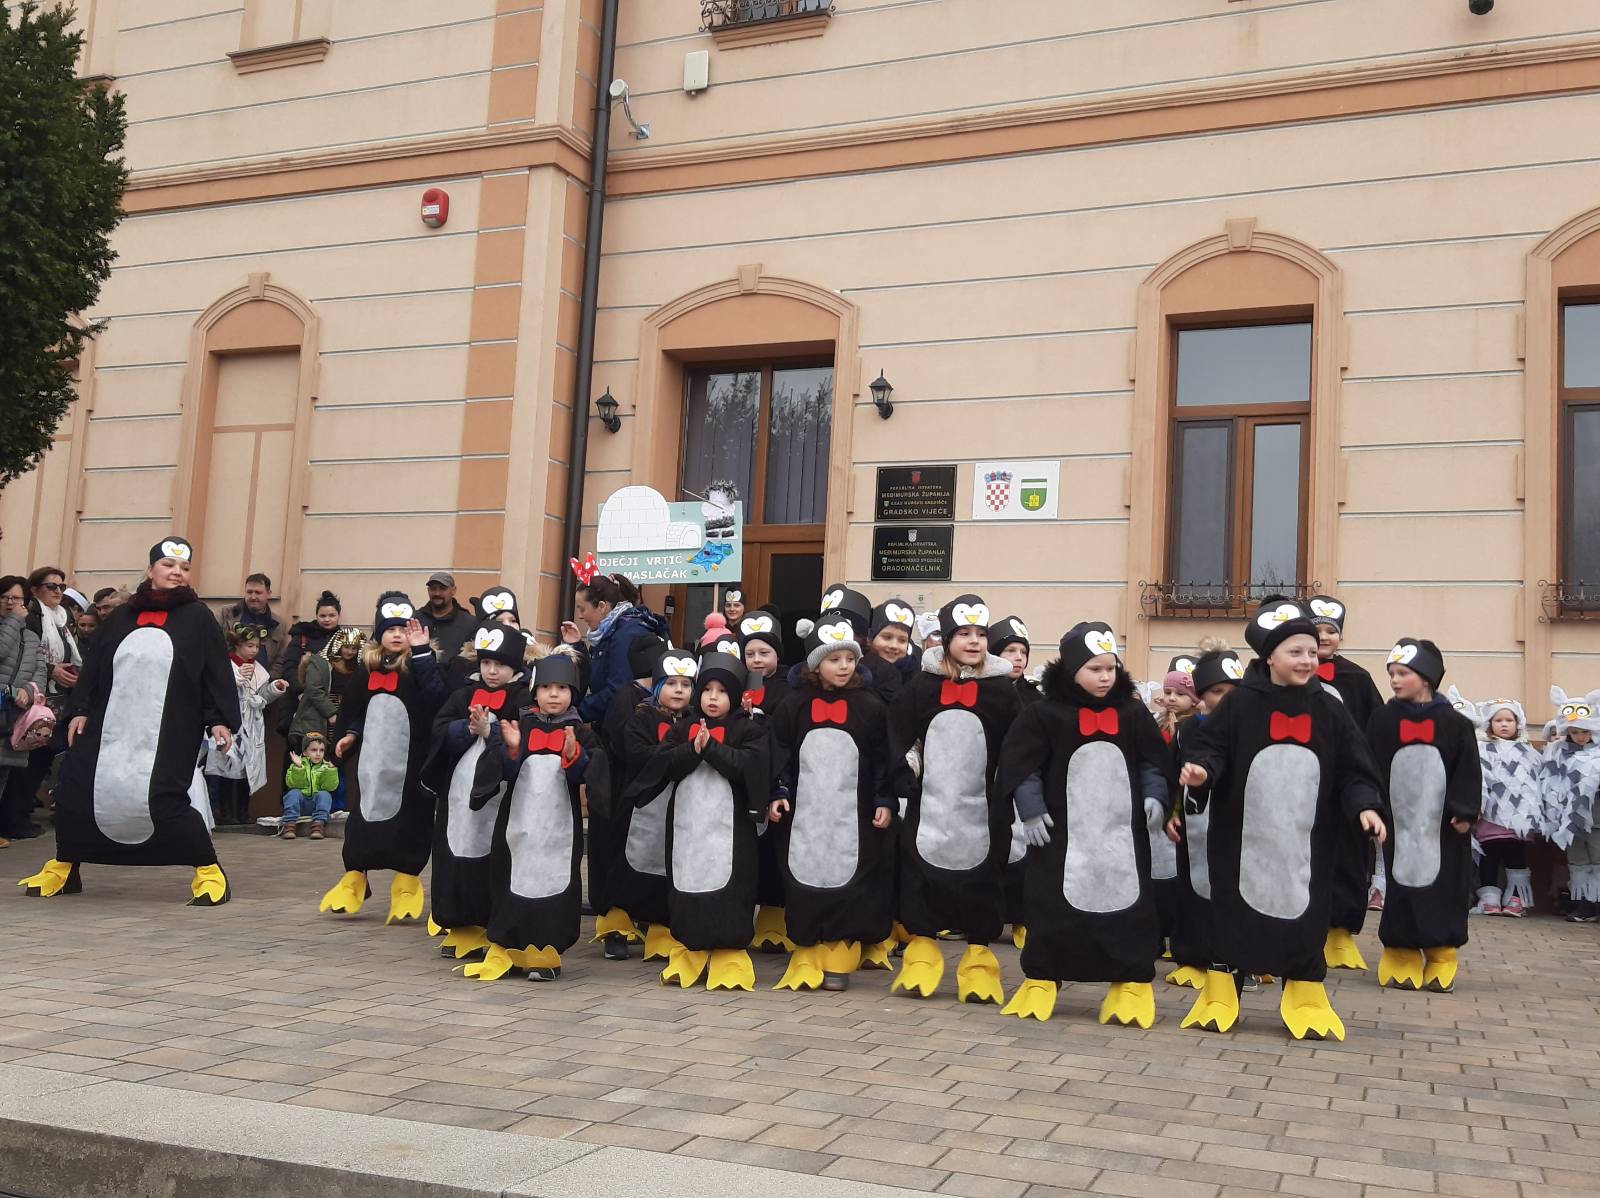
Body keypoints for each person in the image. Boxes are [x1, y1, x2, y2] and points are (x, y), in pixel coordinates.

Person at [1177, 596, 1387, 1040]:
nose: (1308, 659)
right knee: (1232, 912)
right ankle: (1221, 991)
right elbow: (1212, 748)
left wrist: (1365, 804)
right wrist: (1202, 772)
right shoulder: (1239, 704)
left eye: (1312, 651)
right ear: (1269, 656)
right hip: (1241, 838)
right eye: (1296, 651)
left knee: (1305, 913)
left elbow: (1355, 765)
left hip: (1305, 840)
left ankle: (1306, 993)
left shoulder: (1330, 709)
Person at [20, 537, 240, 905]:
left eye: (184, 568)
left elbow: (214, 670)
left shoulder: (198, 617)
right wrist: (81, 709)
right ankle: (65, 865)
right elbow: (96, 666)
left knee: (163, 798)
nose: (177, 572)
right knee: (78, 792)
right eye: (168, 565)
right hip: (110, 726)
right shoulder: (122, 616)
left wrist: (219, 719)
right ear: (151, 569)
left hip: (170, 728)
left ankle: (208, 869)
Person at [996, 621, 1173, 1027]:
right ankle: (1043, 978)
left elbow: (1152, 761)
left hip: (1120, 837)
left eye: (1110, 668)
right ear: (1073, 669)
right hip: (1060, 835)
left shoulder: (1132, 713)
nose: (1105, 677)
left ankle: (1131, 982)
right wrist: (1030, 808)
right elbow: (1024, 765)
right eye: (1095, 669)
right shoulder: (1044, 714)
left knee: (1128, 908)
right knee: (1051, 907)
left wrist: (1155, 795)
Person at [888, 594, 1019, 1004]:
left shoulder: (1002, 691)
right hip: (930, 804)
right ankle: (922, 954)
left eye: (981, 633)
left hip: (983, 808)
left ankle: (979, 963)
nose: (974, 641)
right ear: (946, 639)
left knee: (983, 881)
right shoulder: (922, 687)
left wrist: (1008, 787)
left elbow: (1018, 743)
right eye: (964, 633)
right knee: (920, 876)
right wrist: (906, 774)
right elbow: (899, 734)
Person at [627, 648, 769, 991]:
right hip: (688, 826)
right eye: (707, 690)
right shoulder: (683, 729)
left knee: (730, 885)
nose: (713, 698)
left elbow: (750, 766)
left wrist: (712, 749)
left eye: (721, 691)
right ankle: (690, 950)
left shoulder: (747, 729)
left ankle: (729, 955)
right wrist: (692, 749)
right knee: (686, 881)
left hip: (730, 829)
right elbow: (662, 765)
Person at [767, 614, 894, 992]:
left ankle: (839, 952)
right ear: (815, 663)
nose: (844, 666)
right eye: (834, 659)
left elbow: (883, 757)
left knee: (849, 877)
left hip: (852, 812)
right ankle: (806, 949)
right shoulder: (793, 705)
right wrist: (778, 791)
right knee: (803, 874)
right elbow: (779, 752)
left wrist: (884, 797)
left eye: (850, 659)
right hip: (805, 812)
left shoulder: (870, 706)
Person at [464, 651, 601, 982]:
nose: (554, 694)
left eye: (562, 688)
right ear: (535, 691)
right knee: (511, 875)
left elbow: (593, 775)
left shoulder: (582, 731)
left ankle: (546, 948)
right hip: (519, 822)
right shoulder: (521, 725)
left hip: (559, 827)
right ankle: (508, 945)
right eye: (546, 687)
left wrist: (575, 757)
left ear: (573, 693)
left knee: (554, 880)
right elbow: (502, 771)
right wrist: (511, 749)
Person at [318, 593, 448, 924]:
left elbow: (437, 698)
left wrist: (422, 654)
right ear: (379, 634)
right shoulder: (366, 669)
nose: (397, 635)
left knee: (410, 819)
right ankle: (354, 877)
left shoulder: (421, 664)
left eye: (404, 629)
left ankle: (406, 881)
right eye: (390, 629)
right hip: (373, 764)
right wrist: (350, 734)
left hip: (411, 763)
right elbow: (355, 708)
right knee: (364, 817)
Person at [1368, 639, 1480, 993]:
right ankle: (1401, 950)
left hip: (1443, 825)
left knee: (1444, 884)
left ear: (1426, 678)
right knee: (1402, 882)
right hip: (1398, 822)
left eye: (1403, 673)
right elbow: (1368, 764)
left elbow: (1468, 770)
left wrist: (1465, 810)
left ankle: (1442, 951)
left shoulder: (1455, 724)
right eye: (1391, 673)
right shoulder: (1382, 720)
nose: (1394, 680)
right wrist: (1370, 805)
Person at [419, 623, 534, 961]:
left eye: (500, 664)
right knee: (455, 852)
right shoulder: (463, 695)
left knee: (494, 856)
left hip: (501, 795)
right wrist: (466, 729)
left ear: (515, 666)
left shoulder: (523, 698)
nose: (492, 671)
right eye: (486, 663)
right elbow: (440, 729)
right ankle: (460, 924)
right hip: (460, 796)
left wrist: (491, 731)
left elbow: (527, 738)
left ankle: (491, 923)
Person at [1163, 643, 1244, 994]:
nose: (1226, 699)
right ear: (1201, 695)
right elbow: (1170, 774)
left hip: (1239, 824)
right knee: (1194, 886)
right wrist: (1171, 811)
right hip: (1195, 822)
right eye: (1217, 692)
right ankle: (1193, 956)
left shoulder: (1251, 727)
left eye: (1233, 691)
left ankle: (1245, 959)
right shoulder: (1188, 731)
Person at [607, 647, 696, 963]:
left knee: (666, 866)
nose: (678, 690)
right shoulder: (641, 717)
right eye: (671, 683)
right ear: (657, 686)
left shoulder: (695, 722)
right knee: (629, 863)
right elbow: (637, 753)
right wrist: (677, 755)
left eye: (685, 685)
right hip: (641, 804)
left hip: (677, 804)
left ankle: (661, 929)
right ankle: (617, 927)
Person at [592, 632, 666, 957]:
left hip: (653, 793)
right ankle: (616, 925)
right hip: (624, 790)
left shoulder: (666, 700)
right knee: (619, 854)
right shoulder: (627, 697)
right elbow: (623, 745)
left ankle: (650, 918)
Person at [1453, 692, 1543, 916]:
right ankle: (1489, 898)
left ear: (1518, 723)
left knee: (1516, 858)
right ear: (1489, 723)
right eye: (1498, 720)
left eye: (1509, 720)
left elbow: (1536, 783)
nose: (1504, 724)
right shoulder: (1482, 749)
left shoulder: (1529, 752)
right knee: (1489, 858)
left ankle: (1516, 898)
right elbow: (1477, 779)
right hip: (1490, 818)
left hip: (1518, 822)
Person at [738, 609, 792, 953]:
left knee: (775, 848)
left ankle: (774, 917)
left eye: (764, 653)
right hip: (746, 777)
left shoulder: (788, 687)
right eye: (750, 653)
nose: (757, 660)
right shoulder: (737, 684)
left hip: (777, 773)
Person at [204, 624, 289, 825]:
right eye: (250, 646)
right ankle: (222, 812)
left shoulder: (258, 668)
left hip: (251, 725)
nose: (254, 650)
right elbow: (219, 691)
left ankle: (242, 812)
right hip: (228, 722)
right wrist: (238, 677)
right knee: (224, 767)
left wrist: (274, 688)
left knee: (246, 770)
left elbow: (261, 696)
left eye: (257, 646)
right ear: (238, 645)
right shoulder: (225, 665)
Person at [562, 574, 654, 726]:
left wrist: (576, 712)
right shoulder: (615, 631)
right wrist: (577, 646)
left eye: (582, 609)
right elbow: (598, 674)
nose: (579, 616)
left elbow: (616, 690)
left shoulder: (624, 636)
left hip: (624, 729)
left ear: (602, 607)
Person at [1542, 686, 1600, 921]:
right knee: (1578, 862)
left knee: (1597, 860)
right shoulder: (1558, 754)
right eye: (1575, 732)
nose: (1580, 737)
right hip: (1570, 822)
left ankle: (1597, 903)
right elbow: (1552, 784)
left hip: (1596, 820)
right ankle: (1583, 904)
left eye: (1585, 732)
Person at [0, 575, 48, 842]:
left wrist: (28, 692)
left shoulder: (31, 637)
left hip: (13, 716)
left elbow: (40, 672)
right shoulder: (9, 626)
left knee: (4, 771)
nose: (10, 603)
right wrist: (13, 621)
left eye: (16, 598)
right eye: (4, 597)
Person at [215, 573, 288, 671]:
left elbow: (280, 659)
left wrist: (268, 678)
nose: (253, 597)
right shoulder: (224, 614)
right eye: (249, 592)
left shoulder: (279, 624)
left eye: (258, 592)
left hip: (264, 679)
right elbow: (212, 647)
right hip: (228, 676)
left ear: (269, 593)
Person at [281, 733, 338, 840]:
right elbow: (293, 784)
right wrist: (299, 767)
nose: (318, 754)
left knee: (325, 794)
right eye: (314, 750)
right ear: (305, 752)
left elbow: (330, 787)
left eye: (321, 750)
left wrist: (330, 770)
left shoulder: (326, 766)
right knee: (293, 793)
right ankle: (289, 826)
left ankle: (318, 826)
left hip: (316, 806)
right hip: (300, 806)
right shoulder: (296, 765)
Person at [419, 571, 477, 664]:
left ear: (453, 590)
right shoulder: (416, 620)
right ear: (428, 591)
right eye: (433, 589)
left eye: (443, 588)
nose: (437, 593)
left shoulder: (470, 623)